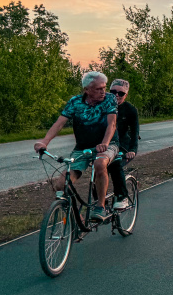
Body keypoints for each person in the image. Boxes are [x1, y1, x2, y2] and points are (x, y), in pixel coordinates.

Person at [35, 71, 118, 222]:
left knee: (100, 163)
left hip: (108, 144)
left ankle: (100, 206)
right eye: (98, 89)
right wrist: (44, 142)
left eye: (104, 87)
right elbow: (59, 123)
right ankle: (77, 220)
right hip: (83, 147)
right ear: (87, 90)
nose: (103, 91)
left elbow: (112, 124)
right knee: (61, 185)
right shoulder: (75, 102)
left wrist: (104, 143)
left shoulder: (110, 99)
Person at [107, 79, 138, 210]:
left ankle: (122, 196)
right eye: (113, 92)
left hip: (123, 146)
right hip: (106, 144)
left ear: (126, 95)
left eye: (121, 93)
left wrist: (132, 149)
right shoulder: (104, 106)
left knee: (115, 165)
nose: (117, 95)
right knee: (98, 170)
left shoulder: (130, 110)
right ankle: (99, 202)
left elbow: (134, 131)